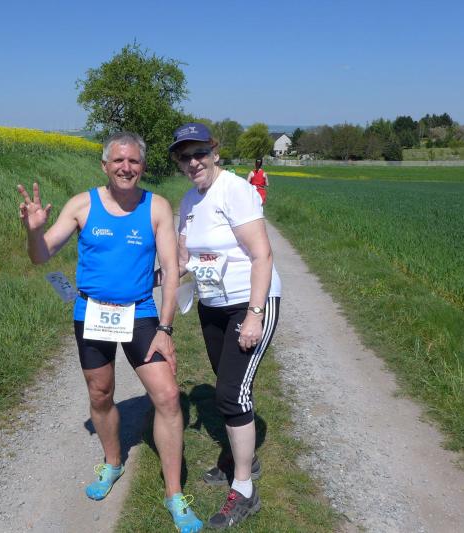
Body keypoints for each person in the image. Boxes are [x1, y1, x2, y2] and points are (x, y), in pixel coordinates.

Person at [16, 132, 203, 533]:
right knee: (100, 393)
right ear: (104, 165)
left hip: (141, 314)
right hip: (92, 314)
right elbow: (40, 256)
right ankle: (113, 462)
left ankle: (174, 493)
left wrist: (166, 328)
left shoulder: (156, 207)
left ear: (143, 166)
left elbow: (171, 270)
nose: (126, 167)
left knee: (169, 396)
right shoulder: (82, 205)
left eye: (134, 161)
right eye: (118, 160)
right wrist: (33, 231)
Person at [169, 123, 282, 529]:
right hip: (212, 305)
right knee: (228, 386)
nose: (193, 162)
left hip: (248, 303)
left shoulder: (236, 190)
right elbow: (183, 260)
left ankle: (245, 490)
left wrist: (254, 314)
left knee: (232, 394)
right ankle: (241, 458)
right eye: (185, 156)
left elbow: (262, 255)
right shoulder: (189, 200)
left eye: (200, 152)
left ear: (214, 152)